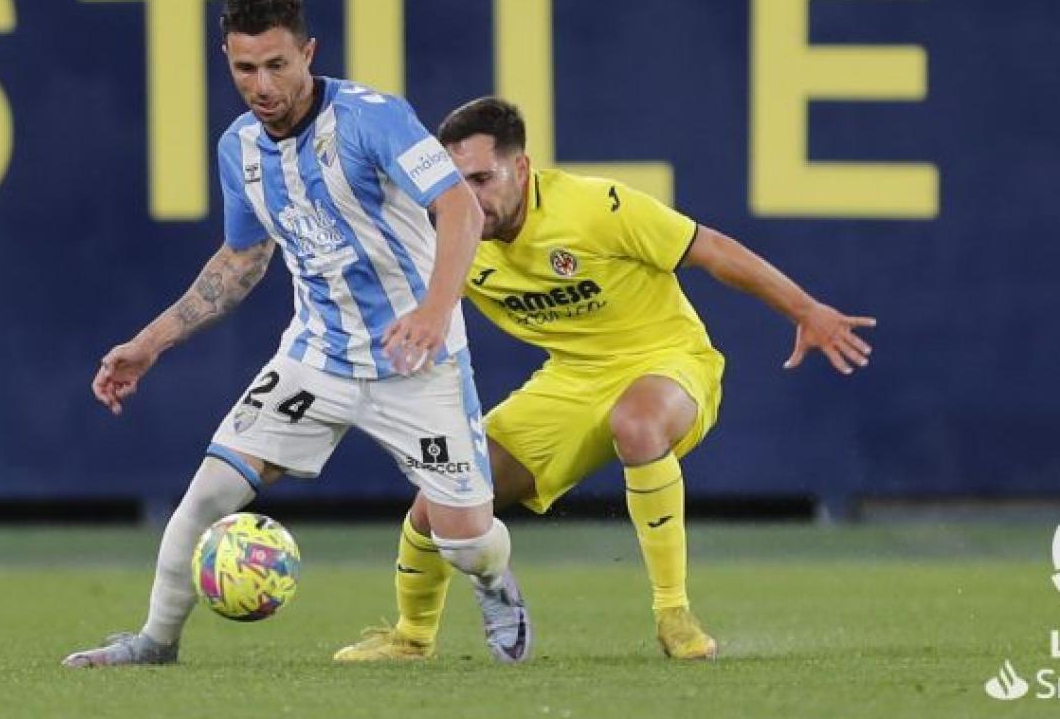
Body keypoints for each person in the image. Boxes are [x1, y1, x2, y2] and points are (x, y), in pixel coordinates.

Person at [62, 0, 532, 668]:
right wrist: (149, 343)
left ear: (308, 53)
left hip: (415, 358)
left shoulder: (373, 118)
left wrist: (434, 312)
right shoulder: (239, 148)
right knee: (208, 495)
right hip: (316, 358)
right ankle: (155, 643)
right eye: (245, 68)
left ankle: (494, 583)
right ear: (227, 61)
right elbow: (242, 259)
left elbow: (460, 206)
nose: (262, 85)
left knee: (464, 541)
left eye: (277, 65)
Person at [335, 97, 875, 663]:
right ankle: (412, 637)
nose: (469, 198)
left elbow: (712, 250)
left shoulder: (596, 207)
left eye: (482, 179)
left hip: (668, 359)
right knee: (440, 500)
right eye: (455, 183)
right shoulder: (450, 240)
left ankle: (674, 613)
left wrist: (806, 310)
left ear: (521, 168)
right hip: (570, 380)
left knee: (636, 424)